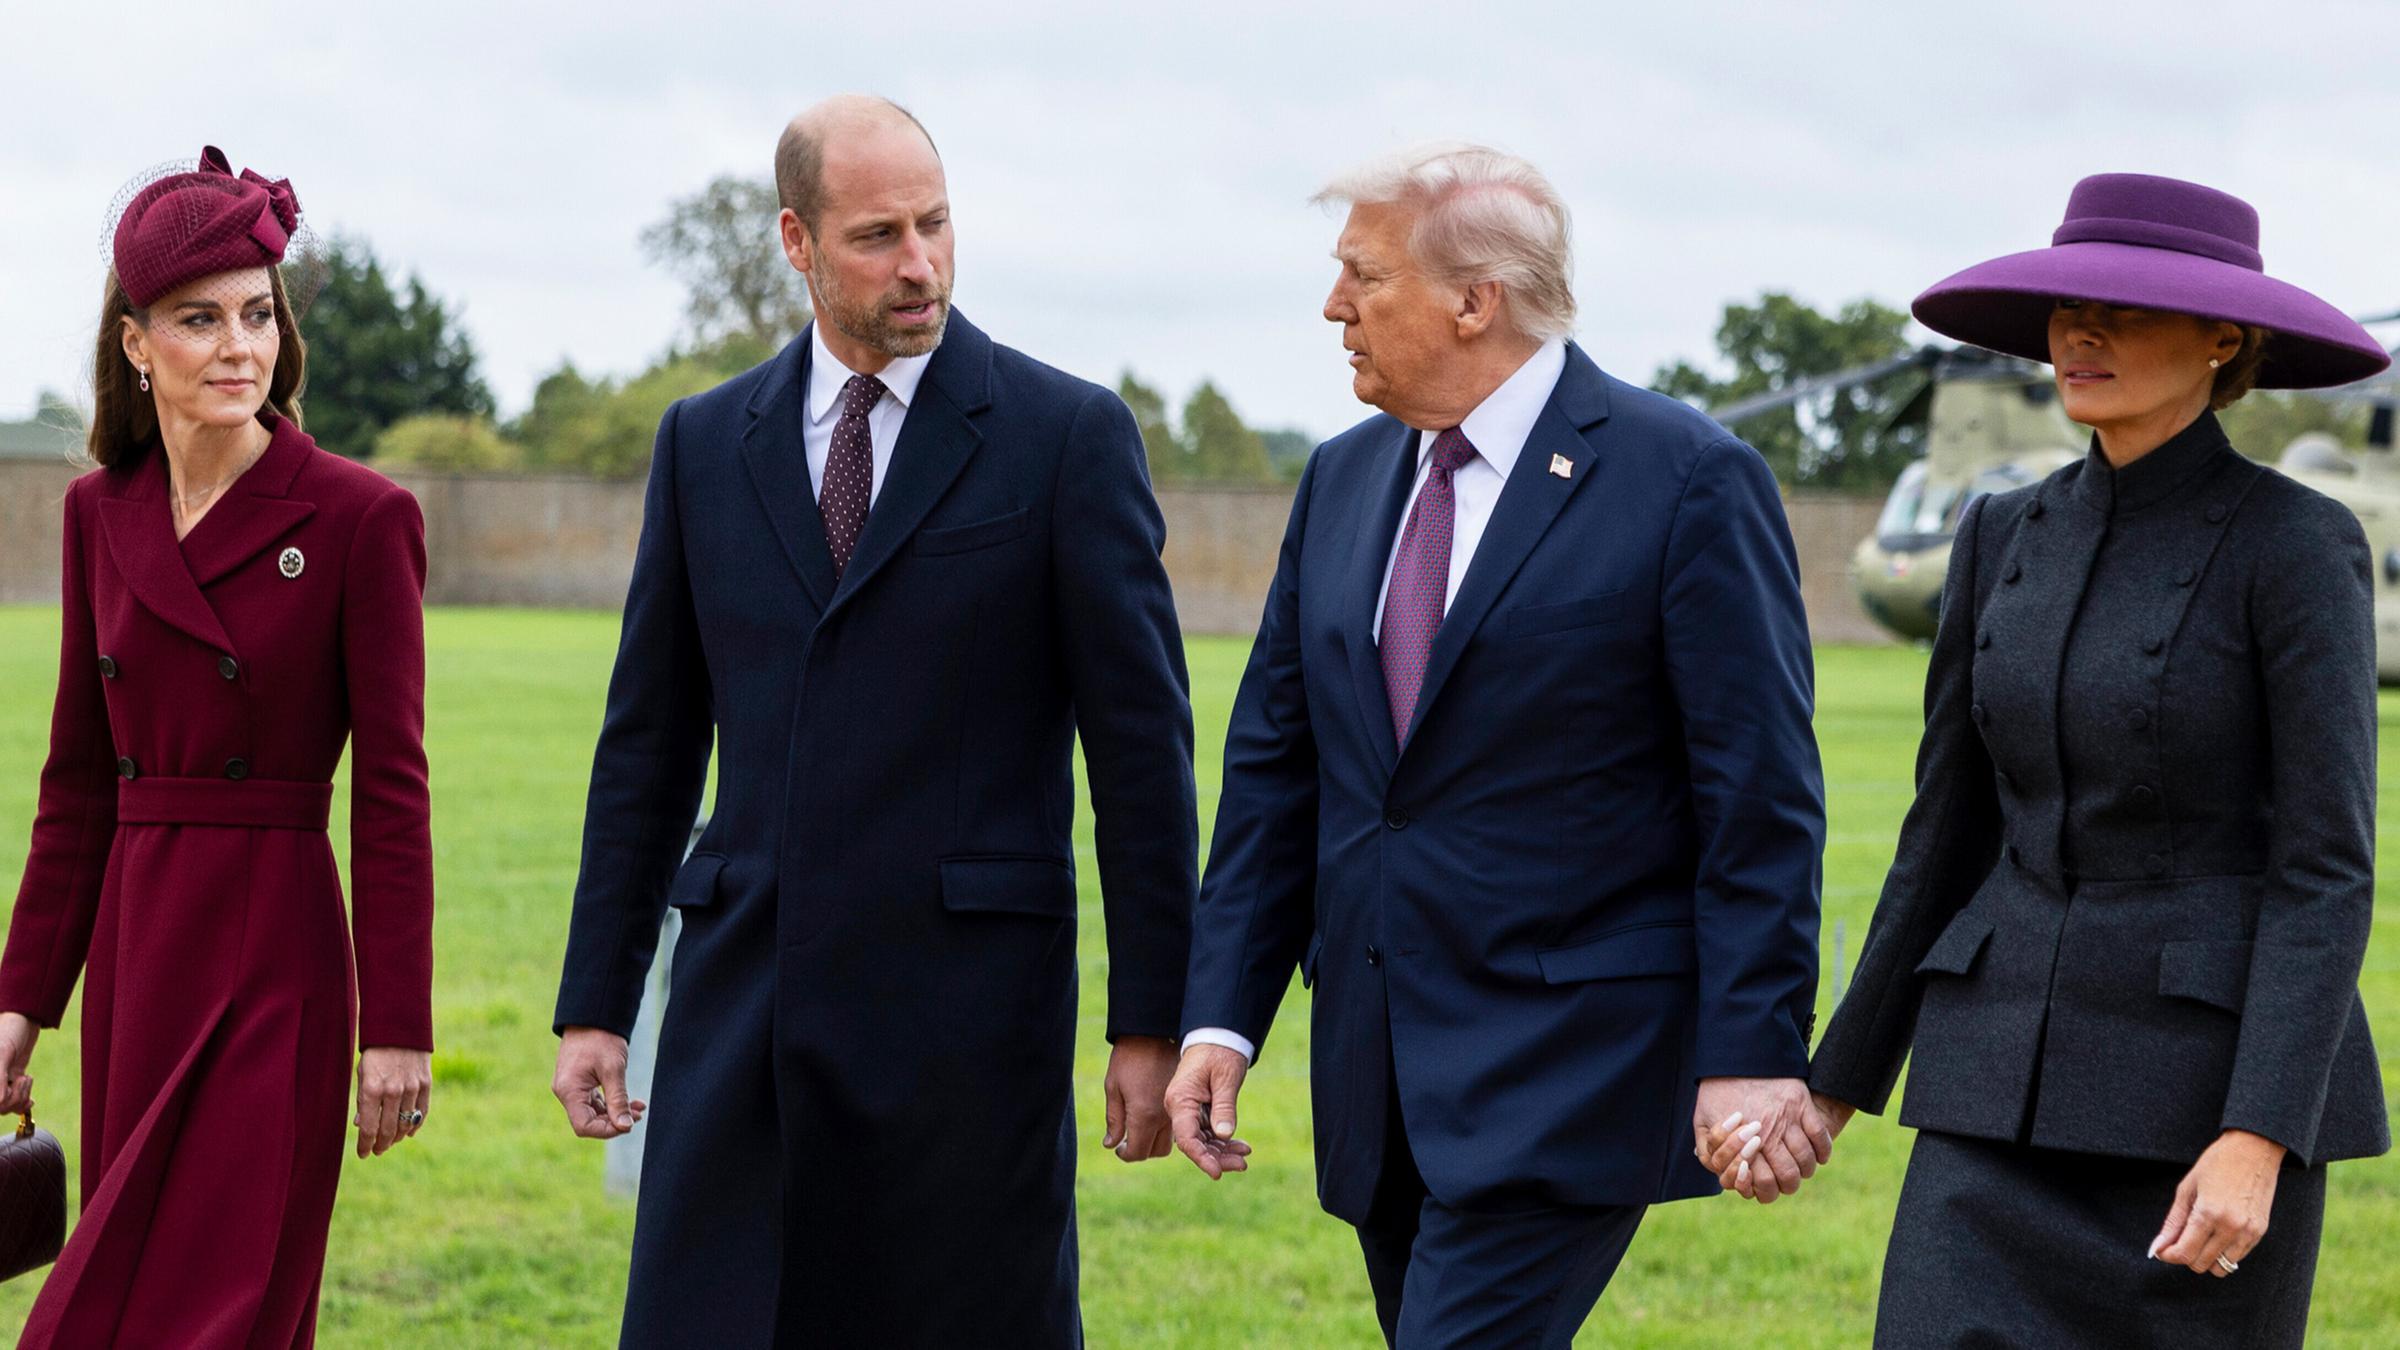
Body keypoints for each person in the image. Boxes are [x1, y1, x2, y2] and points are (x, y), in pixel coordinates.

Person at [549, 95, 1197, 1347]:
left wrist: (1150, 1020)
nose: (921, 264)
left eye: (938, 225)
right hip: (742, 1017)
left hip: (965, 1031)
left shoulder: (1066, 439)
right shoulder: (700, 444)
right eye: (879, 235)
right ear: (796, 242)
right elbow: (649, 742)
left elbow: (1142, 759)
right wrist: (597, 1002)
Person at [1166, 143, 1828, 1348]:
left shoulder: (1686, 480)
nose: (1333, 307)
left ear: (1475, 301)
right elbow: (1278, 770)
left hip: (1569, 1070)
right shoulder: (1340, 480)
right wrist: (1223, 1018)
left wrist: (1751, 1051)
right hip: (1379, 1073)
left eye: (1362, 276)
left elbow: (1759, 797)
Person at [1725, 173, 2393, 1347]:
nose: (2080, 334)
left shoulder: (2299, 545)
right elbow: (1946, 837)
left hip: (2200, 1123)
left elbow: (2323, 870)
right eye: (2067, 308)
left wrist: (2260, 1136)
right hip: (1989, 1103)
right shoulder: (1998, 535)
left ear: (2222, 340)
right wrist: (1834, 1084)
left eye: (2125, 311)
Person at [0, 147, 434, 1347]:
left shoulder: (359, 517)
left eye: (258, 313)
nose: (240, 345)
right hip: (144, 949)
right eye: (199, 319)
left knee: (225, 1308)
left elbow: (393, 791)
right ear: (137, 343)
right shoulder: (98, 512)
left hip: (279, 952)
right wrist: (21, 1000)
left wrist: (395, 1025)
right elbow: (78, 784)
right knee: (130, 1293)